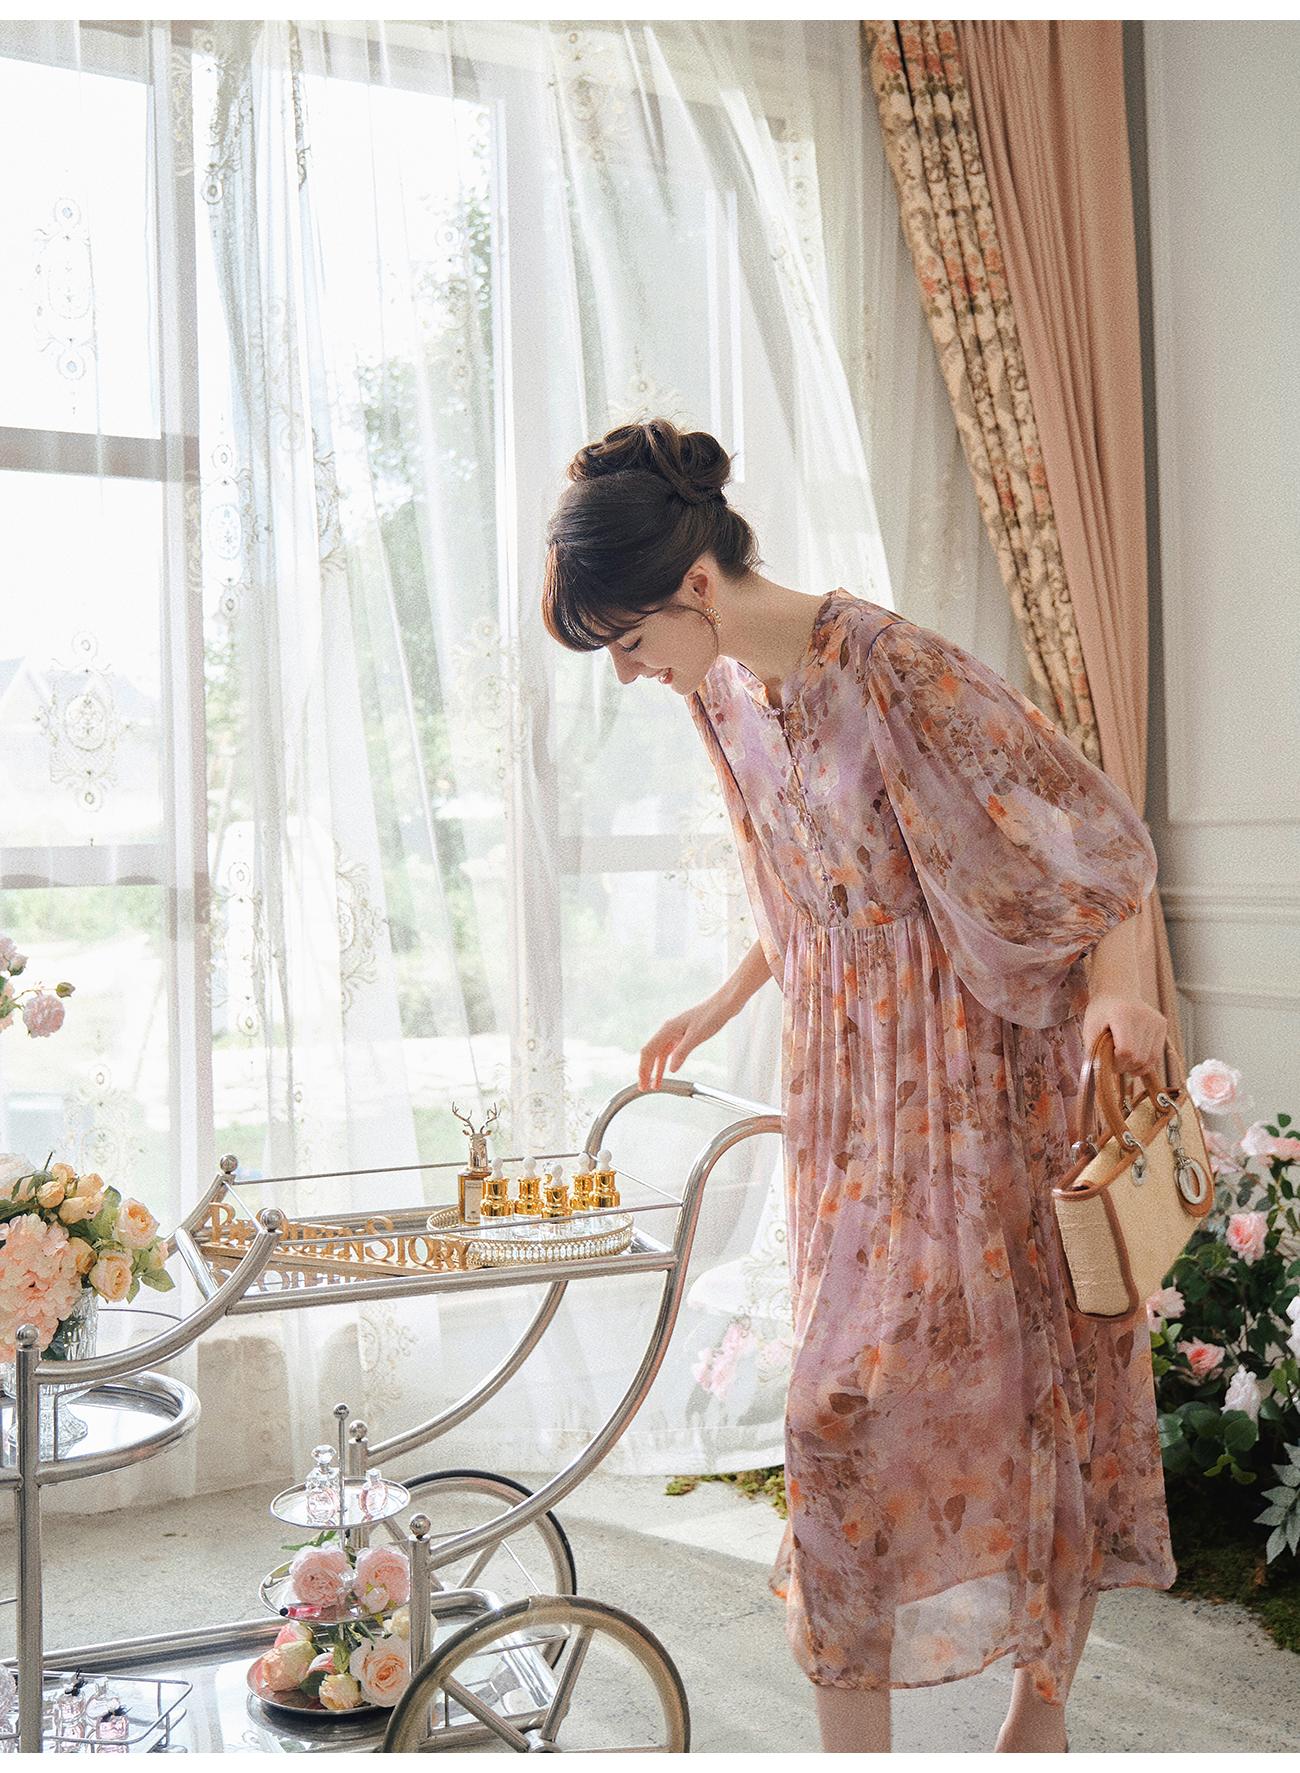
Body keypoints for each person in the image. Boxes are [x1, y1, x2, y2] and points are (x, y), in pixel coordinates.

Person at [540, 418, 1176, 1754]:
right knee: (835, 1416)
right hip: (852, 1094)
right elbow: (810, 888)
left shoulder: (896, 668)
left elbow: (1099, 837)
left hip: (981, 1080)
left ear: (696, 586)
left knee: (1026, 1391)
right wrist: (723, 999)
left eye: (630, 642)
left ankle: (1038, 1716)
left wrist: (1123, 992)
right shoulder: (722, 695)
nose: (632, 674)